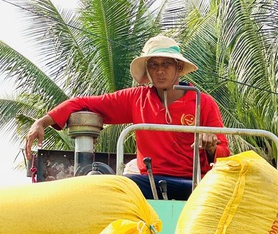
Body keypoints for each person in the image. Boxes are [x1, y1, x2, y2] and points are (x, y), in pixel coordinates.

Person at [24, 35, 230, 200]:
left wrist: (211, 147)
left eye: (166, 64)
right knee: (112, 190)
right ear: (147, 70)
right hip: (150, 182)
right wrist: (42, 122)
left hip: (196, 184)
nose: (160, 71)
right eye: (153, 65)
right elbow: (83, 102)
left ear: (178, 67)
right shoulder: (137, 98)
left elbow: (224, 154)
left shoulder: (203, 102)